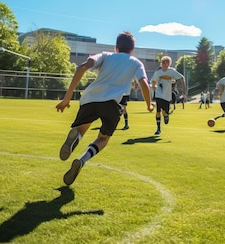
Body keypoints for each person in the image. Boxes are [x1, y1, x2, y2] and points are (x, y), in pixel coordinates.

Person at [55, 32, 154, 186]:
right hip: (113, 104)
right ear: (132, 49)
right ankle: (82, 160)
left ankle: (76, 136)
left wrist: (67, 98)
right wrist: (149, 104)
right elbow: (144, 84)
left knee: (80, 129)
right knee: (103, 138)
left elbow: (82, 67)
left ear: (116, 47)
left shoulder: (106, 55)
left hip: (90, 98)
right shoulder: (136, 62)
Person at [150, 56, 186, 136]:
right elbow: (153, 81)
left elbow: (182, 78)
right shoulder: (158, 72)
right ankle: (158, 129)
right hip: (159, 94)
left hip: (167, 96)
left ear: (169, 64)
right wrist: (154, 87)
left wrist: (184, 92)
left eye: (166, 62)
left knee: (164, 112)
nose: (164, 64)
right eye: (163, 62)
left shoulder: (172, 71)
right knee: (158, 111)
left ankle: (166, 115)